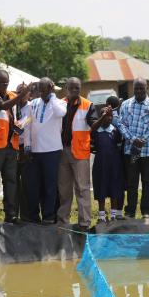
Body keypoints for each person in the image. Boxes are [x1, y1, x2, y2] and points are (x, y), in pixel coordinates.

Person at [0, 69, 31, 225]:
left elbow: (13, 113)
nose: (3, 85)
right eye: (0, 83)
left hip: (11, 143)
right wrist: (22, 95)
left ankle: (10, 213)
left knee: (10, 180)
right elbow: (1, 107)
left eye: (6, 83)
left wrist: (17, 125)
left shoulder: (11, 95)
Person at [57, 78, 98, 230]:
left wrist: (102, 119)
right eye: (72, 88)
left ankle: (84, 223)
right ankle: (63, 220)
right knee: (64, 188)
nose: (75, 91)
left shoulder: (87, 105)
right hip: (62, 151)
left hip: (80, 152)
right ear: (66, 88)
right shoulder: (59, 104)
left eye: (78, 88)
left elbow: (93, 124)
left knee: (82, 188)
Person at [24, 78, 66, 224]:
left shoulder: (59, 103)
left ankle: (48, 216)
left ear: (51, 88)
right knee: (34, 185)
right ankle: (34, 216)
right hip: (34, 151)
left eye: (44, 90)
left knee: (50, 185)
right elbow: (28, 124)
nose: (41, 93)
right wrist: (27, 146)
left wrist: (53, 96)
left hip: (52, 151)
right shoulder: (33, 103)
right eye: (39, 90)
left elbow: (61, 113)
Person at [119, 78, 149, 218]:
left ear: (146, 88)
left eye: (141, 88)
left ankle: (146, 211)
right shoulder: (125, 104)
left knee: (147, 182)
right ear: (133, 89)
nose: (139, 91)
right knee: (131, 182)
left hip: (147, 151)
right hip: (130, 151)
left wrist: (142, 140)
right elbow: (121, 124)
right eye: (136, 88)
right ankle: (130, 211)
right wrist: (132, 139)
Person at [92, 107, 125, 222]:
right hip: (100, 163)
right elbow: (92, 129)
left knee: (114, 187)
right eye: (106, 115)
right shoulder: (96, 130)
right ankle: (101, 216)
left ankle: (113, 215)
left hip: (114, 164)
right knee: (101, 187)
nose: (109, 118)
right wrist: (102, 116)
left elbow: (119, 144)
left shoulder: (115, 131)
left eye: (110, 116)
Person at [15, 83, 31, 221]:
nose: (21, 94)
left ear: (29, 94)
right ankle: (13, 213)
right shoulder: (12, 106)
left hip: (26, 148)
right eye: (19, 91)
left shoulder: (32, 107)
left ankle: (26, 214)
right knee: (13, 181)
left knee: (26, 182)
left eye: (24, 92)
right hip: (13, 147)